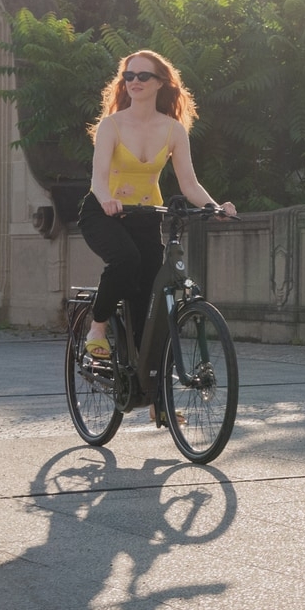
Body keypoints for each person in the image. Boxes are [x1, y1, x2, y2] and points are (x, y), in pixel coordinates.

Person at [78, 50, 235, 382]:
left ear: (160, 82)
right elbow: (98, 178)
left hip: (146, 215)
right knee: (125, 260)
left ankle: (149, 388)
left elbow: (189, 183)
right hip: (104, 212)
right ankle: (98, 327)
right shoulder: (112, 125)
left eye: (142, 76)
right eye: (129, 76)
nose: (134, 82)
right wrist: (106, 199)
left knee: (148, 300)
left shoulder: (173, 130)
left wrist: (214, 207)